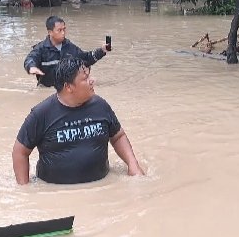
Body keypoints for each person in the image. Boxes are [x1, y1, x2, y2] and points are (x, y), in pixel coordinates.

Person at [12, 57, 145, 184]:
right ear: (68, 87)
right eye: (85, 78)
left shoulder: (100, 106)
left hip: (101, 188)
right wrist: (25, 189)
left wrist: (133, 165)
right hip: (55, 194)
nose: (92, 81)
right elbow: (20, 152)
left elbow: (118, 136)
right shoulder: (41, 113)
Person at [24, 16, 110, 87]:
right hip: (46, 89)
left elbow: (86, 59)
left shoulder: (70, 47)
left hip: (66, 90)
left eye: (64, 29)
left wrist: (102, 51)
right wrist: (31, 67)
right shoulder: (41, 48)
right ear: (50, 32)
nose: (63, 33)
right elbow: (31, 59)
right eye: (59, 30)